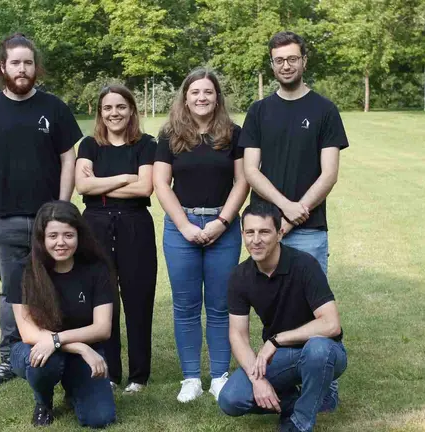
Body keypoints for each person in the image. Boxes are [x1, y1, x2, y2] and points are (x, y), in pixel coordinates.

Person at [0, 33, 83, 386]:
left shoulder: (54, 108)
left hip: (49, 222)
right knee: (11, 292)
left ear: (36, 68)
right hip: (5, 221)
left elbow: (69, 160)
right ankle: (9, 357)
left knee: (57, 284)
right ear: (3, 66)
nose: (22, 69)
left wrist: (62, 209)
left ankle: (59, 352)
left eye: (28, 63)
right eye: (15, 62)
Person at [153, 68, 249, 403]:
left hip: (223, 227)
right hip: (182, 228)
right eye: (195, 92)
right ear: (185, 96)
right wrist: (185, 225)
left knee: (222, 305)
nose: (201, 98)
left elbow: (242, 182)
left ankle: (220, 376)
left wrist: (222, 222)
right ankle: (191, 378)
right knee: (186, 306)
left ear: (217, 97)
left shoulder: (234, 134)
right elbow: (161, 184)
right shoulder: (170, 135)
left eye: (208, 92)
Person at [217, 202, 347, 432]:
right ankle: (296, 400)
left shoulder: (305, 264)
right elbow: (237, 335)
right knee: (231, 399)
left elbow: (331, 325)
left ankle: (298, 423)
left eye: (264, 232)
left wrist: (277, 340)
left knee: (317, 349)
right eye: (250, 232)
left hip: (325, 351)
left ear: (279, 234)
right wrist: (257, 380)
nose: (255, 240)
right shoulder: (240, 276)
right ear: (243, 234)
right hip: (283, 357)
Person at [240, 30, 350, 276]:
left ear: (304, 61)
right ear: (272, 64)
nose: (286, 66)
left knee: (311, 308)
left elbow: (329, 173)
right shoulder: (258, 111)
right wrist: (284, 208)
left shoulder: (325, 110)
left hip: (309, 230)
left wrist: (294, 215)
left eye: (292, 59)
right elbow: (250, 170)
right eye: (279, 60)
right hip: (264, 229)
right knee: (270, 308)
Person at [75, 85, 157, 393]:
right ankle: (109, 372)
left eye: (121, 107)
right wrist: (125, 177)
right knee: (103, 300)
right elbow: (82, 187)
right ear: (100, 113)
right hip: (94, 226)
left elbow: (145, 188)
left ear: (131, 110)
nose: (114, 113)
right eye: (107, 108)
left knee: (138, 298)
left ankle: (138, 375)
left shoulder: (146, 144)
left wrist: (99, 184)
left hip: (135, 225)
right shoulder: (89, 145)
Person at [8, 201, 116, 428]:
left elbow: (102, 328)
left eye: (68, 235)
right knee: (45, 361)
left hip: (78, 349)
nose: (60, 243)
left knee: (100, 418)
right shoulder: (22, 270)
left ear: (79, 236)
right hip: (32, 348)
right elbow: (29, 333)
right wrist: (79, 346)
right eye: (53, 236)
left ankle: (73, 386)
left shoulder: (97, 268)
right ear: (41, 238)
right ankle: (43, 402)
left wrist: (60, 340)